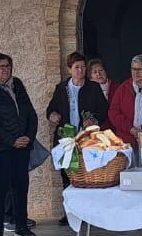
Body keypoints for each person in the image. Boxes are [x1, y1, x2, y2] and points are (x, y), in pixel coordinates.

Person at [0, 53, 39, 236]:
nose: (6, 70)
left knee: (21, 185)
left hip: (22, 146)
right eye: (1, 67)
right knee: (1, 187)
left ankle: (21, 226)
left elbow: (30, 113)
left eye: (8, 66)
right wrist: (11, 140)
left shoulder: (17, 85)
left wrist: (28, 136)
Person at [46, 52, 110, 222]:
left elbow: (104, 110)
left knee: (88, 174)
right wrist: (52, 115)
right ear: (69, 69)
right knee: (67, 175)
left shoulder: (93, 87)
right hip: (66, 138)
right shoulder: (61, 88)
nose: (80, 70)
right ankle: (70, 213)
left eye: (83, 67)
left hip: (86, 139)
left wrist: (93, 120)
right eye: (76, 67)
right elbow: (50, 109)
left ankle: (89, 214)